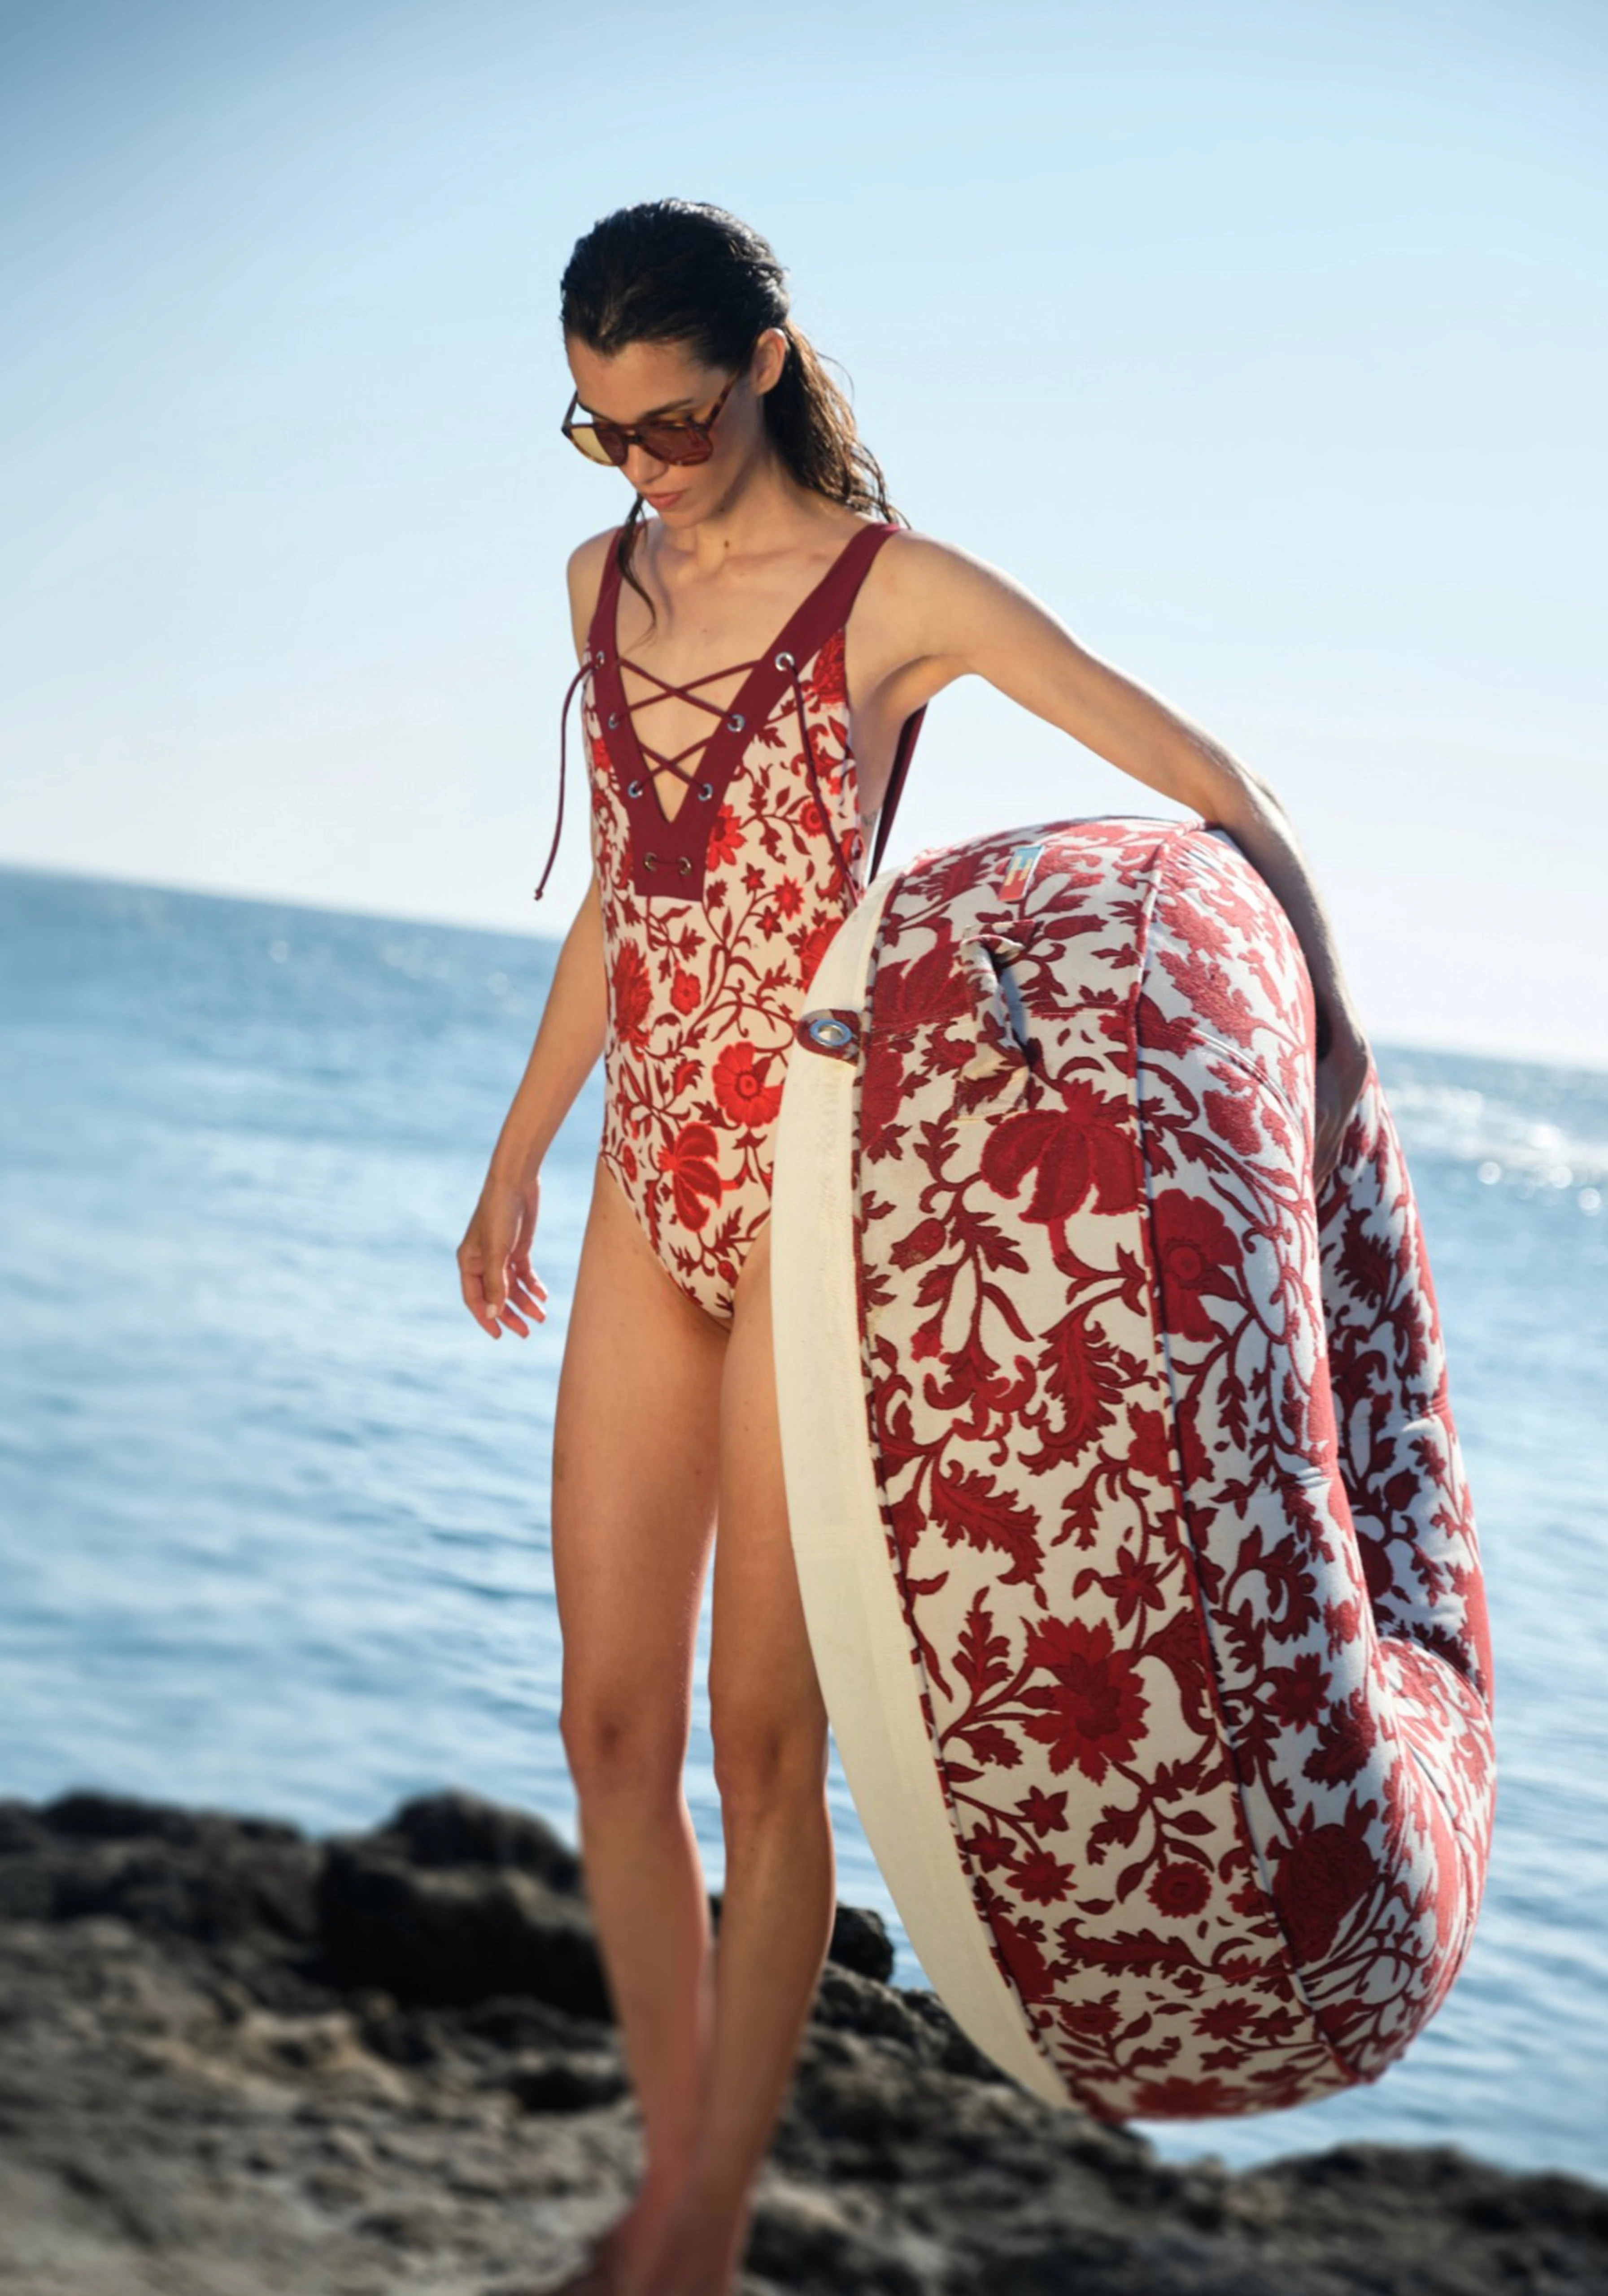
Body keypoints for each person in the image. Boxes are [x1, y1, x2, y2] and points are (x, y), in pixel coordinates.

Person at [456, 197, 1373, 2296]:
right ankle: (677, 2177)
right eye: (599, 434)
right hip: (640, 1190)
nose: (644, 470)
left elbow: (1205, 775)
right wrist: (517, 1149)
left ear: (762, 366)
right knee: (611, 1725)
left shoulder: (896, 596)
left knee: (762, 1754)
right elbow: (627, 894)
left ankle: (687, 2231)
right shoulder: (599, 582)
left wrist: (1327, 1019)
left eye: (672, 422)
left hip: (807, 1211)